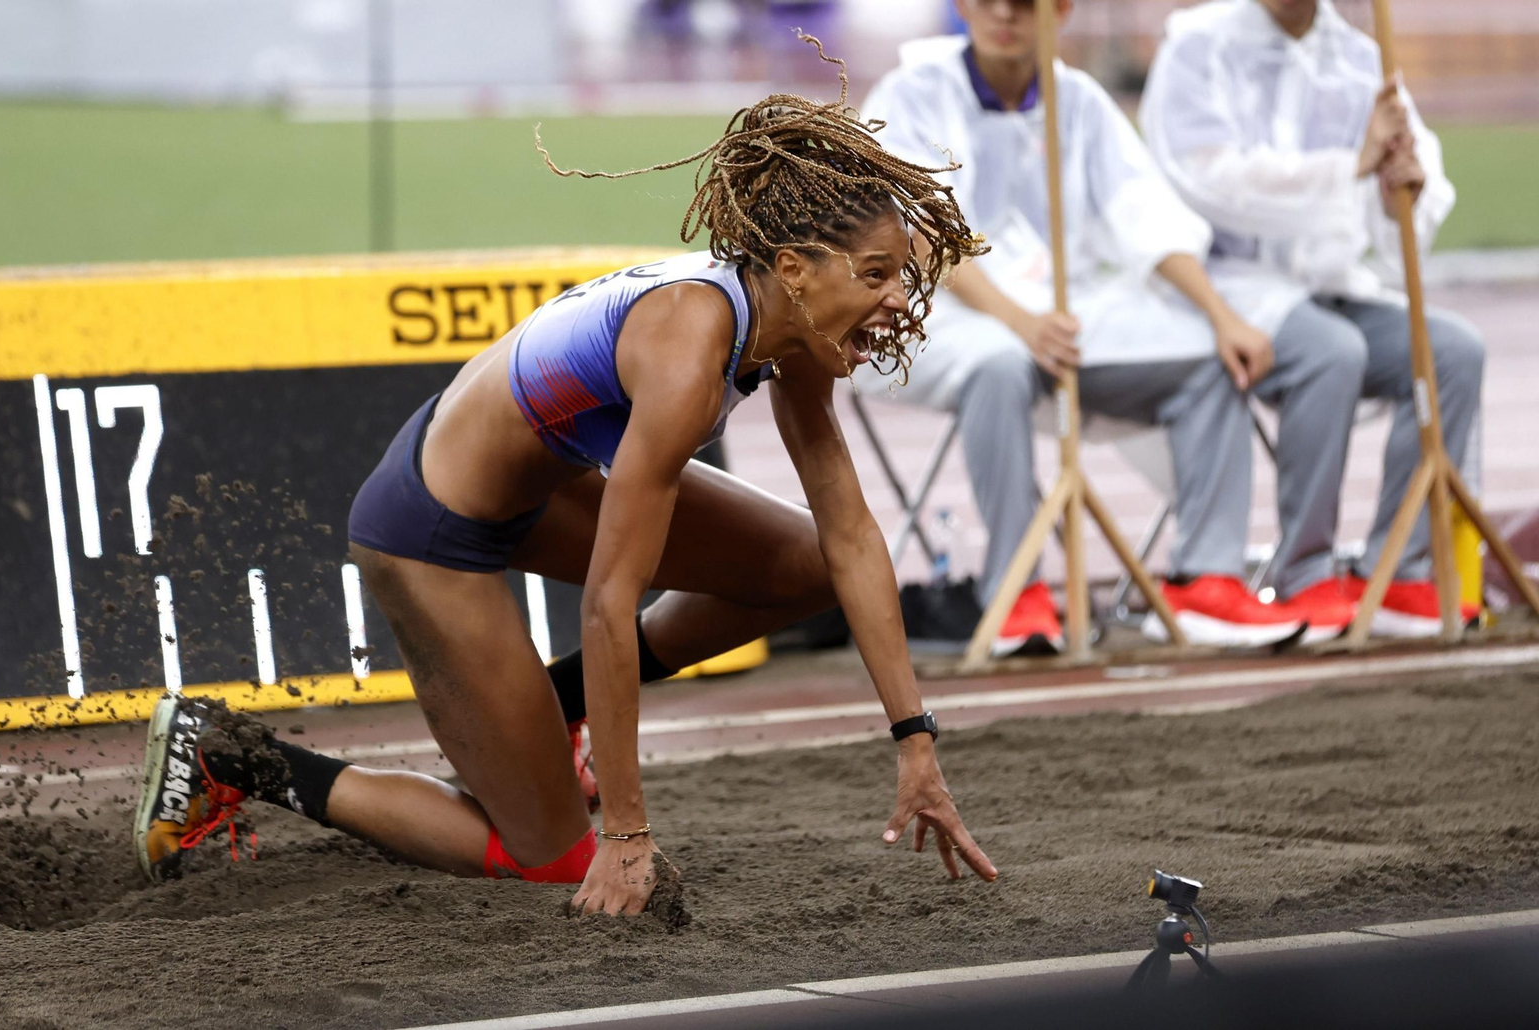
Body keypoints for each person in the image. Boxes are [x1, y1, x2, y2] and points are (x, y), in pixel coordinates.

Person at [133, 45, 999, 916]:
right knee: (546, 857)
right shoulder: (687, 347)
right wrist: (626, 833)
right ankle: (232, 756)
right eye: (877, 274)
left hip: (542, 489)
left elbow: (851, 540)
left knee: (809, 567)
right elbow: (611, 603)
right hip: (434, 532)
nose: (900, 300)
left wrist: (915, 743)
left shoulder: (798, 335)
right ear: (796, 267)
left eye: (902, 276)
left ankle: (557, 710)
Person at [861, 0, 1315, 654]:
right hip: (939, 311)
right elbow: (926, 232)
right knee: (998, 363)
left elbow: (1145, 214)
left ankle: (1206, 579)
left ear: (1059, 10)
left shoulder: (1080, 101)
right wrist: (1020, 323)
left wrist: (1222, 316)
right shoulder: (912, 92)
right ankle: (1015, 588)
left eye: (1022, 2)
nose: (1002, 15)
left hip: (1061, 306)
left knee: (1211, 359)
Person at [1141, 0, 1486, 638]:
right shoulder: (1198, 45)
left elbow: (1416, 192)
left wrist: (1397, 190)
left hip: (1329, 283)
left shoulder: (1362, 59)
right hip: (1225, 284)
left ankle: (1398, 567)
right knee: (1331, 351)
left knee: (1453, 351)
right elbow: (1204, 178)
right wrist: (1347, 169)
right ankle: (1305, 570)